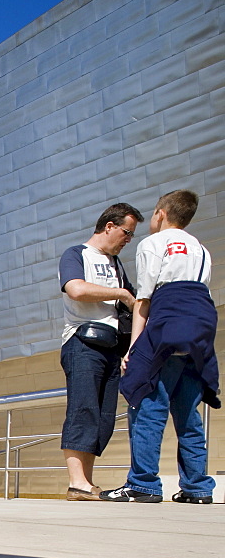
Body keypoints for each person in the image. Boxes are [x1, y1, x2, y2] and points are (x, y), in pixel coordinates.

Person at [101, 190, 220, 504]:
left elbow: (146, 298)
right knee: (188, 415)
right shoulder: (202, 249)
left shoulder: (152, 243)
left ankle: (143, 484)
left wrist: (134, 348)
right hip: (201, 328)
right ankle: (198, 488)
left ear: (160, 214)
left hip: (168, 323)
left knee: (146, 405)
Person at [58, 203, 143, 501]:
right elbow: (77, 289)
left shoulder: (117, 265)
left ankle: (85, 482)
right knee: (83, 409)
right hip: (83, 342)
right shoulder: (76, 254)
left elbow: (134, 305)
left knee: (103, 416)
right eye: (126, 232)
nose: (128, 239)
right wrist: (120, 293)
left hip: (112, 347)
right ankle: (76, 482)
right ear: (109, 226)